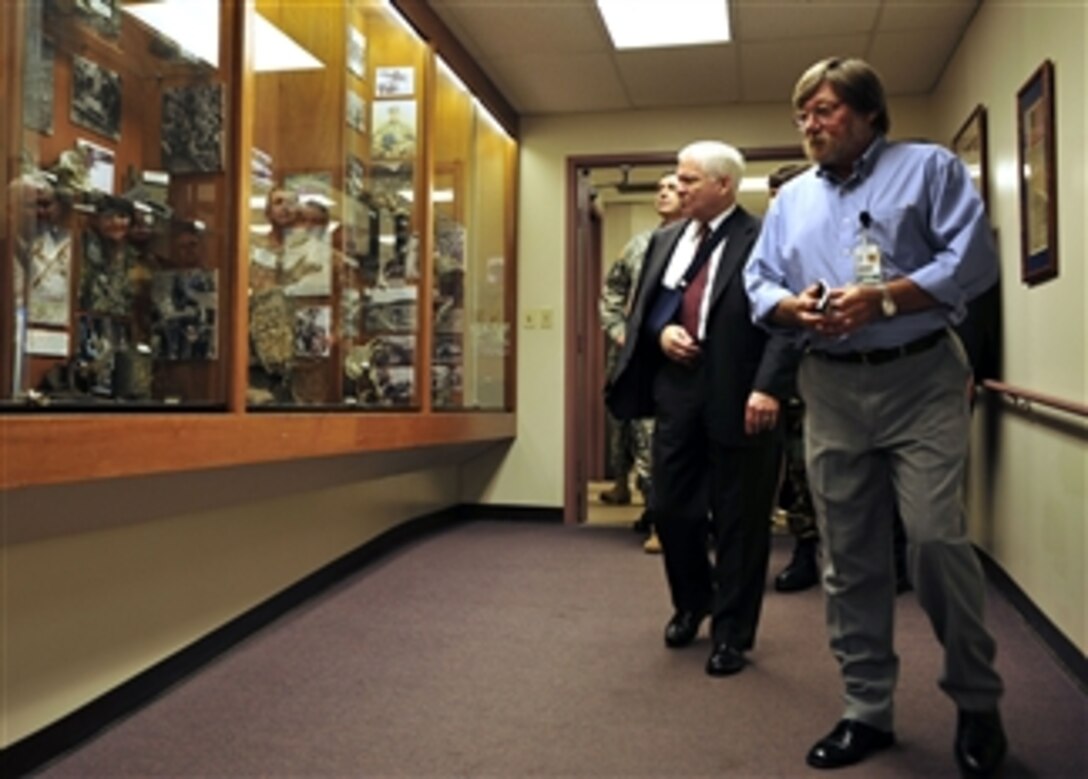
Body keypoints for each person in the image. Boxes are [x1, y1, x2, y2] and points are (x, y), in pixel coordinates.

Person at [744, 57, 1006, 775]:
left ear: (867, 113)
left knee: (933, 541)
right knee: (849, 556)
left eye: (824, 110)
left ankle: (978, 702)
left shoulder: (929, 169)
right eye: (803, 113)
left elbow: (974, 260)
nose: (809, 124)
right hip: (829, 387)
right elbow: (758, 280)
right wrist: (788, 306)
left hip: (920, 376)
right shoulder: (792, 199)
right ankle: (866, 710)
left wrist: (885, 296)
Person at [606, 141, 795, 677]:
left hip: (742, 389)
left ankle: (732, 632)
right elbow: (644, 310)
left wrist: (770, 387)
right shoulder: (665, 240)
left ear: (724, 186)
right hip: (679, 388)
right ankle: (693, 602)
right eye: (678, 178)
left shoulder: (764, 238)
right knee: (672, 509)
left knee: (740, 519)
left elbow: (786, 321)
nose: (678, 188)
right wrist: (661, 333)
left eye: (689, 181)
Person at [764, 163, 912, 595]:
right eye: (774, 198)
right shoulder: (772, 251)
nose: (780, 206)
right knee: (800, 474)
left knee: (877, 470)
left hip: (856, 369)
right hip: (795, 379)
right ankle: (806, 552)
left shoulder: (842, 238)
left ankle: (894, 555)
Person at [598, 172, 683, 554]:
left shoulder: (707, 244)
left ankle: (689, 518)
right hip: (641, 361)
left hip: (688, 362)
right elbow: (612, 293)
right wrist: (619, 330)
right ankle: (659, 519)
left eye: (673, 188)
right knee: (645, 439)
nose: (663, 193)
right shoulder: (638, 246)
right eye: (659, 188)